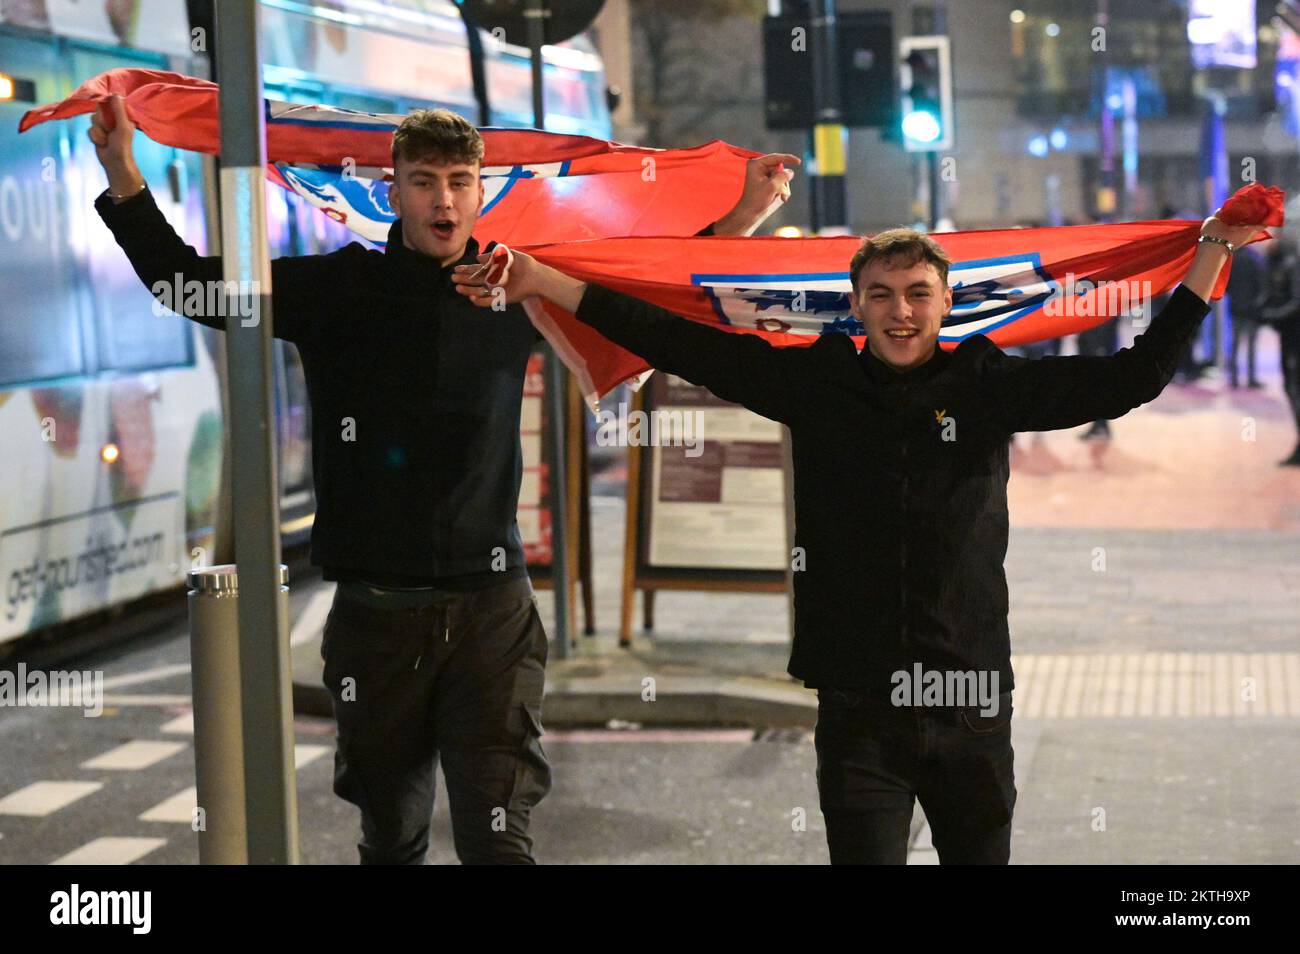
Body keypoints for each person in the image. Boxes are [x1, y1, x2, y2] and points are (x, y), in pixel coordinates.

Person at [87, 93, 796, 863]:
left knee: (499, 841)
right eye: (424, 181)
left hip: (492, 614)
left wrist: (742, 221)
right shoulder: (337, 288)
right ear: (393, 192)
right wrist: (123, 173)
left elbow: (646, 303)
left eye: (460, 180)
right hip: (375, 619)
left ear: (481, 191)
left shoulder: (516, 283)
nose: (444, 198)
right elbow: (187, 285)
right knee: (390, 839)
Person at [454, 212, 1267, 864]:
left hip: (968, 698)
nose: (901, 311)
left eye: (918, 292)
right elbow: (674, 338)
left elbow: (1133, 378)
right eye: (881, 294)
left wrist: (1209, 257)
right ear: (858, 304)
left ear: (946, 304)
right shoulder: (817, 384)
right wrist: (544, 280)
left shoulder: (987, 385)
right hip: (859, 706)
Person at [1260, 238, 1300, 465]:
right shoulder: (1281, 263)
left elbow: (1296, 302)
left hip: (1294, 335)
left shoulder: (1291, 264)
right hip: (1289, 334)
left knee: (1294, 387)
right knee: (1290, 387)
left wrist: (1270, 315)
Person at [1227, 243, 1265, 389]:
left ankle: (1234, 378)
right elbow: (1261, 283)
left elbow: (1227, 284)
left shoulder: (1232, 259)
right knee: (1251, 345)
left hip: (1236, 307)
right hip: (1251, 309)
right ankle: (1251, 378)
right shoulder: (1254, 259)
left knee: (1235, 344)